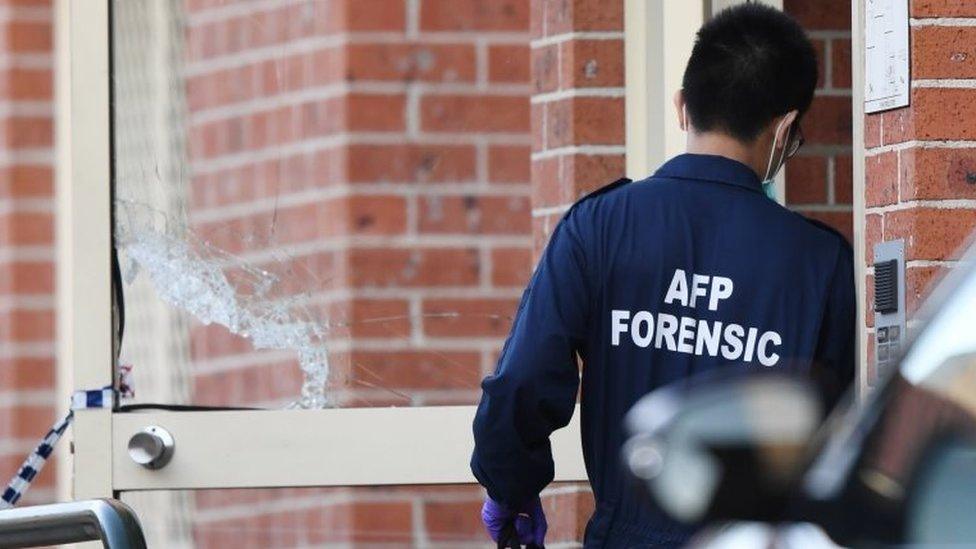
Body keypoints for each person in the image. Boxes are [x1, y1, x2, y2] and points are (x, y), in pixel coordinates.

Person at [470, 4, 855, 548]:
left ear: (681, 107)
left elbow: (524, 379)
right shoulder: (820, 262)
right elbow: (837, 441)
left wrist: (509, 487)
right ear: (785, 128)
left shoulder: (599, 226)